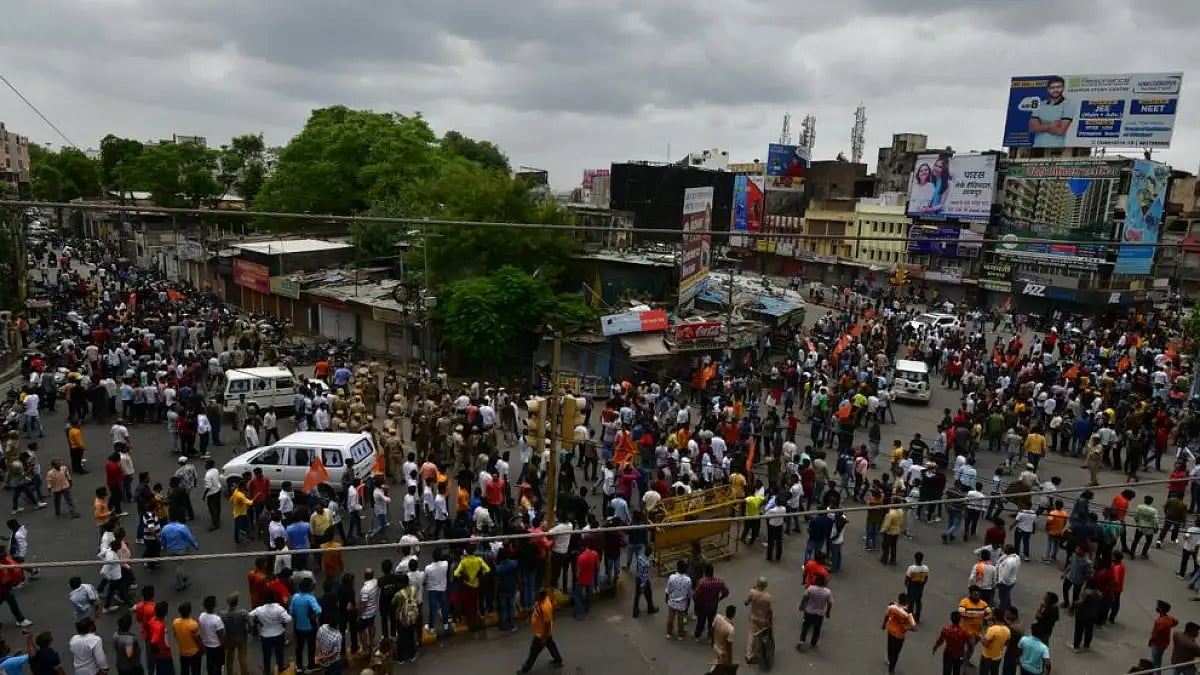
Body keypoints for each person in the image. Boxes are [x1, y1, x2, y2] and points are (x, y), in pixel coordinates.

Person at [516, 589, 563, 674]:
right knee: (551, 645)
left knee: (534, 651)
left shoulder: (545, 608)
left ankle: (525, 669)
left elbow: (547, 623)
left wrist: (544, 637)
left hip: (541, 633)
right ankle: (558, 659)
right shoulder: (542, 601)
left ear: (541, 596)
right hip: (543, 631)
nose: (535, 595)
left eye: (537, 594)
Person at [248, 591, 290, 675]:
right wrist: (281, 622)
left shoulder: (259, 609)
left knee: (266, 654)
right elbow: (288, 619)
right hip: (278, 633)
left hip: (266, 635)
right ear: (274, 598)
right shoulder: (279, 608)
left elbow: (249, 615)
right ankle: (280, 667)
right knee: (279, 652)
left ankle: (267, 670)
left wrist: (258, 621)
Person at [1029, 75, 1073, 148]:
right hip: (1037, 147)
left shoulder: (1068, 104)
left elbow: (1060, 131)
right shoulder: (1041, 104)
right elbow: (1032, 127)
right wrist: (1050, 126)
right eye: (1052, 88)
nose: (1055, 90)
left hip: (1056, 148)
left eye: (1058, 87)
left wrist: (1041, 126)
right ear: (1048, 89)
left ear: (1063, 88)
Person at [883, 593, 916, 675]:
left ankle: (889, 659)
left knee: (890, 646)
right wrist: (907, 629)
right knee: (896, 652)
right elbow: (913, 626)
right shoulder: (907, 613)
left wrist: (884, 624)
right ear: (906, 602)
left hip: (890, 630)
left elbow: (886, 615)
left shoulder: (892, 606)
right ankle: (891, 670)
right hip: (899, 635)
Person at [797, 575, 832, 650]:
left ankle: (802, 640)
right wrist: (828, 612)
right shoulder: (827, 592)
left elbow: (805, 597)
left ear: (817, 581)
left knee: (805, 627)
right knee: (817, 629)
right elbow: (829, 603)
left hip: (809, 611)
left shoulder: (811, 588)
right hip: (819, 614)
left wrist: (801, 606)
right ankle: (813, 642)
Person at [744, 577, 773, 665]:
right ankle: (762, 649)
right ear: (765, 586)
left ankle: (748, 655)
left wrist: (753, 590)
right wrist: (769, 620)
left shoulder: (752, 592)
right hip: (763, 619)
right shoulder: (768, 597)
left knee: (751, 636)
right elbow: (769, 610)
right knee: (762, 633)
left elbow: (746, 602)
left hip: (753, 617)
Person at [933, 611, 971, 675]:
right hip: (959, 654)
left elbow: (940, 640)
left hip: (948, 653)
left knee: (946, 671)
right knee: (957, 671)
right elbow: (969, 642)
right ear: (960, 620)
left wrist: (935, 647)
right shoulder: (965, 631)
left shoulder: (946, 629)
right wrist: (968, 652)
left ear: (951, 619)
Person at [665, 560, 692, 640]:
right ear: (685, 569)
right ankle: (680, 634)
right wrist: (688, 603)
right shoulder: (688, 580)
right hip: (682, 603)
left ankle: (669, 633)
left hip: (672, 601)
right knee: (680, 620)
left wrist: (666, 599)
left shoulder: (671, 577)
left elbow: (668, 590)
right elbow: (689, 594)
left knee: (670, 619)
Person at [197, 596, 224, 675]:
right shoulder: (217, 619)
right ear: (214, 605)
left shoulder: (202, 616)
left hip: (207, 644)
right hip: (216, 645)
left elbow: (198, 626)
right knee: (218, 664)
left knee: (210, 664)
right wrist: (223, 645)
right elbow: (220, 635)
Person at [173, 601, 201, 675]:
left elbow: (175, 635)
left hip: (183, 652)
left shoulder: (175, 622)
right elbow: (197, 639)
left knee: (184, 671)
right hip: (194, 653)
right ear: (190, 611)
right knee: (196, 671)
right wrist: (202, 649)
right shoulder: (193, 624)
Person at [1148, 600, 1178, 669]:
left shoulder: (1160, 622)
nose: (1156, 607)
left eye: (1157, 606)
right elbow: (1176, 621)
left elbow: (1156, 634)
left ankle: (1156, 672)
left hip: (1158, 644)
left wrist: (1150, 641)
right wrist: (1169, 626)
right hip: (1165, 642)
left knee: (1156, 661)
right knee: (1158, 657)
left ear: (1160, 609)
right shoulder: (1169, 618)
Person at [711, 605, 736, 669]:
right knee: (721, 667)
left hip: (716, 646)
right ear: (733, 614)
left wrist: (712, 642)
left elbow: (713, 629)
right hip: (723, 653)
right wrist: (730, 661)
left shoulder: (718, 617)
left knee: (718, 661)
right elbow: (729, 646)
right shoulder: (730, 629)